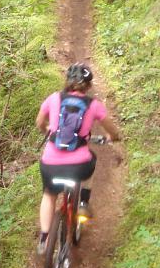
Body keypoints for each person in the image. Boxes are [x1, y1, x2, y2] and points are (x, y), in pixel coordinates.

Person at [35, 63, 120, 255]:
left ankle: (44, 238)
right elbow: (112, 130)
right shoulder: (94, 105)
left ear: (68, 82)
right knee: (92, 160)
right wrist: (112, 138)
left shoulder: (53, 98)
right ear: (88, 86)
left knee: (49, 194)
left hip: (51, 164)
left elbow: (39, 122)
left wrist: (48, 130)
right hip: (78, 165)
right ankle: (83, 203)